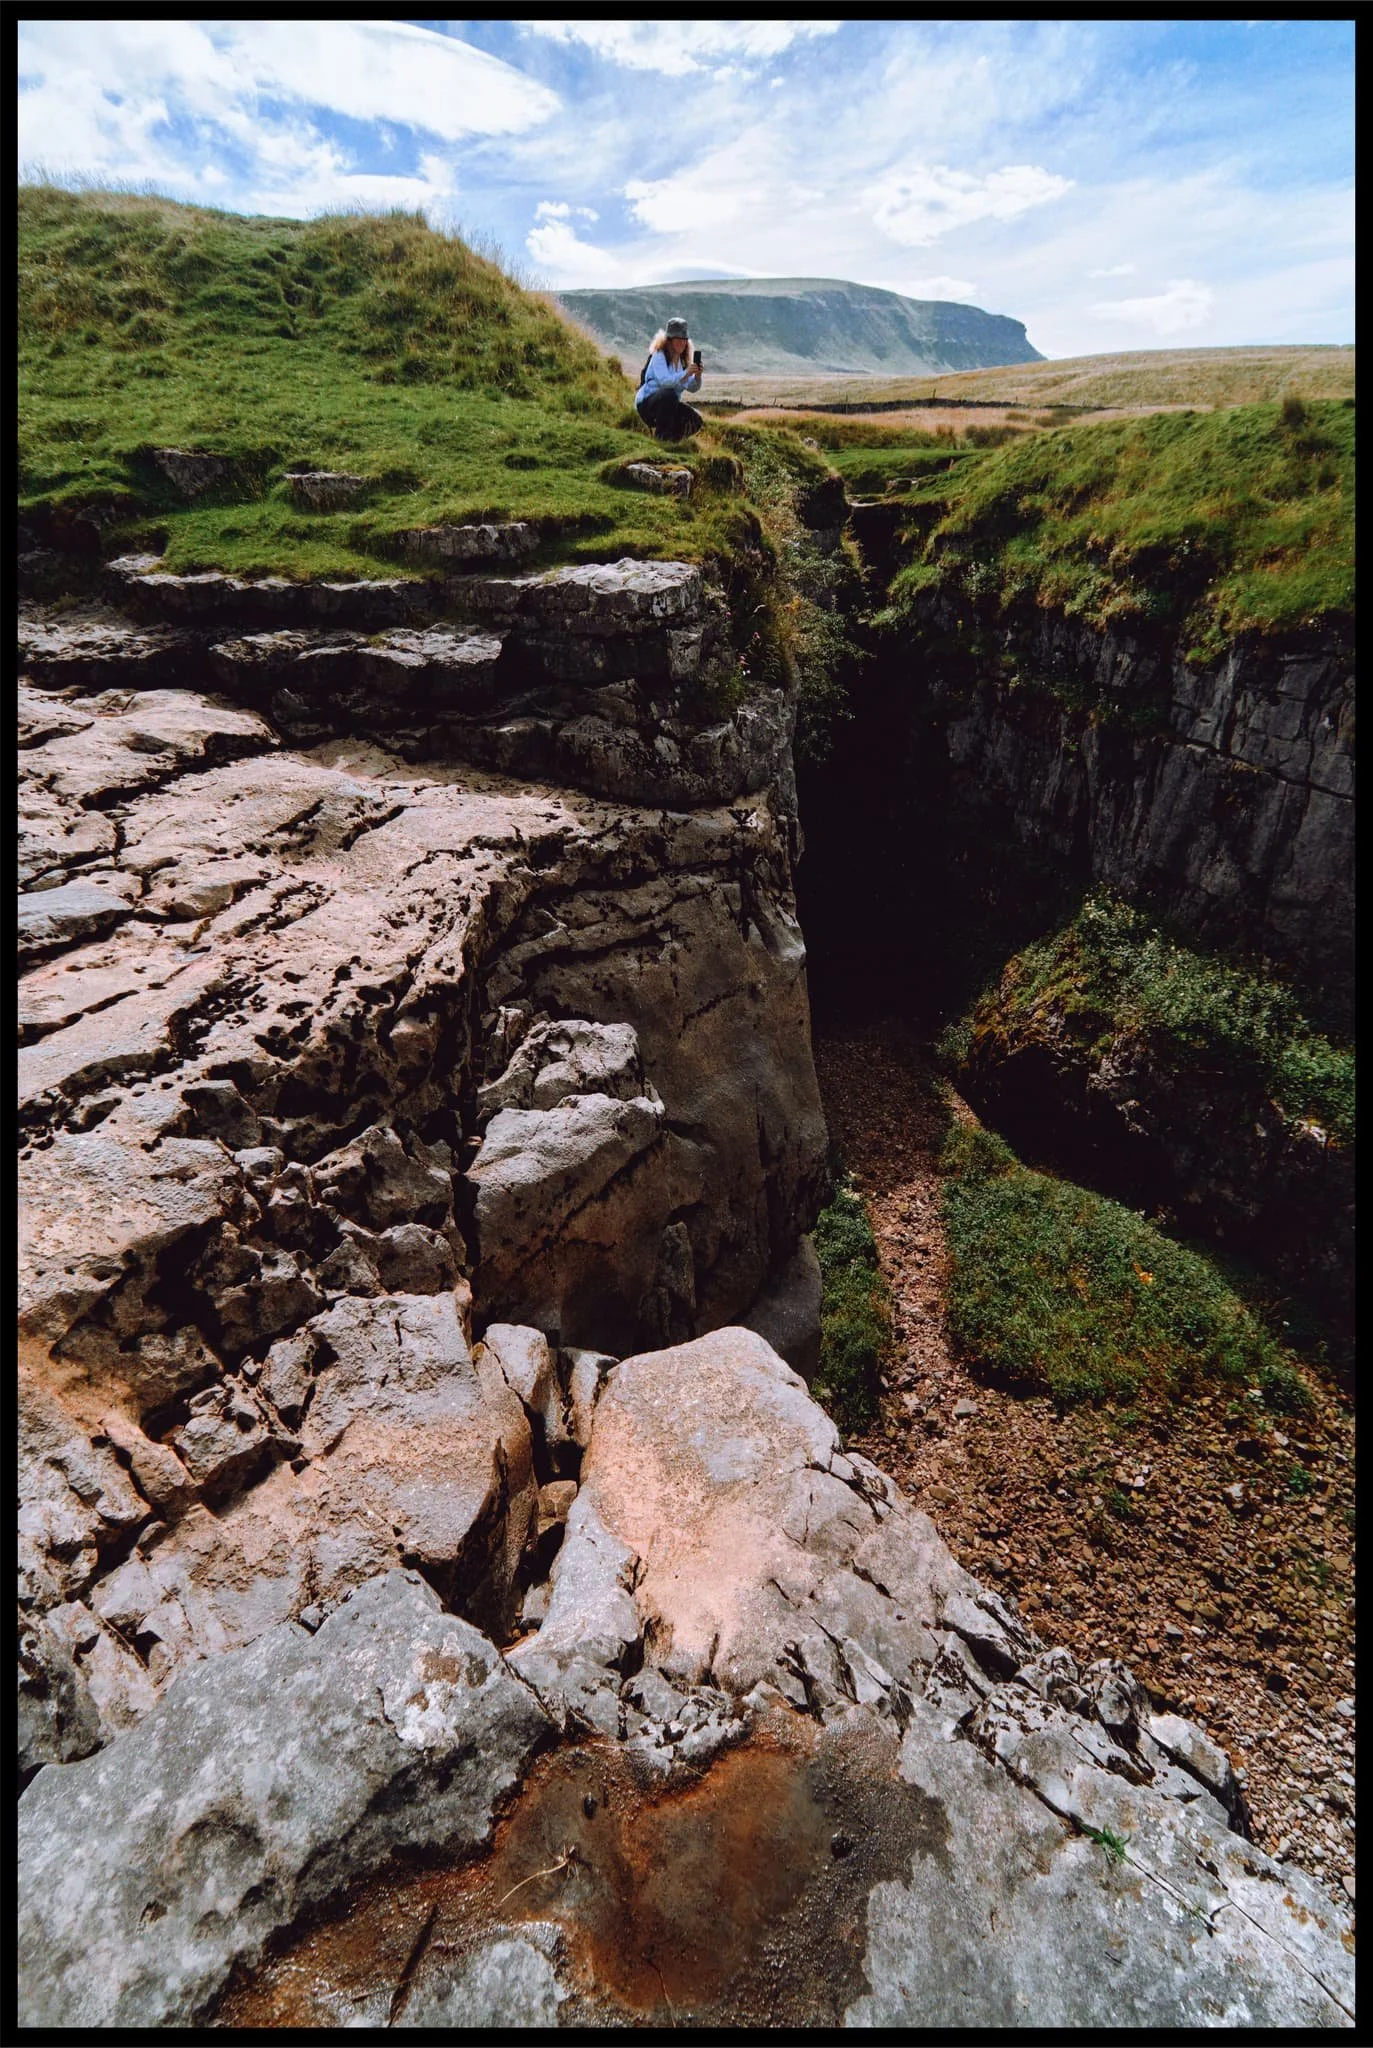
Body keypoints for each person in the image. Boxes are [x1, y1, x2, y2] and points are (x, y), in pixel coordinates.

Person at [635, 316, 704, 442]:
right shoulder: (659, 355)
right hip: (647, 404)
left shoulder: (683, 362)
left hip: (669, 405)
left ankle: (672, 442)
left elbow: (692, 387)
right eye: (678, 339)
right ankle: (661, 438)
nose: (681, 343)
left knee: (695, 420)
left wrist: (697, 376)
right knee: (669, 394)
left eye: (684, 339)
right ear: (669, 340)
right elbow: (665, 382)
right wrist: (686, 374)